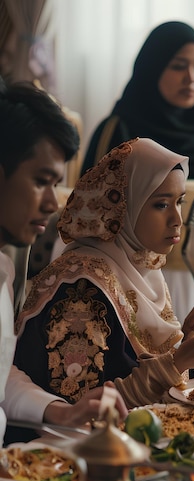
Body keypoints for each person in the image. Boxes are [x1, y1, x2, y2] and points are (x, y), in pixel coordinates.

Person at [15, 138, 194, 409]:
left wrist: (186, 346)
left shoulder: (141, 269)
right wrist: (177, 362)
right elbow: (84, 409)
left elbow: (143, 378)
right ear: (123, 207)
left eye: (179, 202)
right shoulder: (81, 291)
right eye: (161, 204)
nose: (177, 219)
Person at [0, 80, 127, 442]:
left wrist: (63, 410)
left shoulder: (3, 270)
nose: (53, 204)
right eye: (41, 181)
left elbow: (0, 375)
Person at [81, 21, 194, 180]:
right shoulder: (120, 131)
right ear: (152, 70)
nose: (192, 78)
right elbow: (91, 198)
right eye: (179, 66)